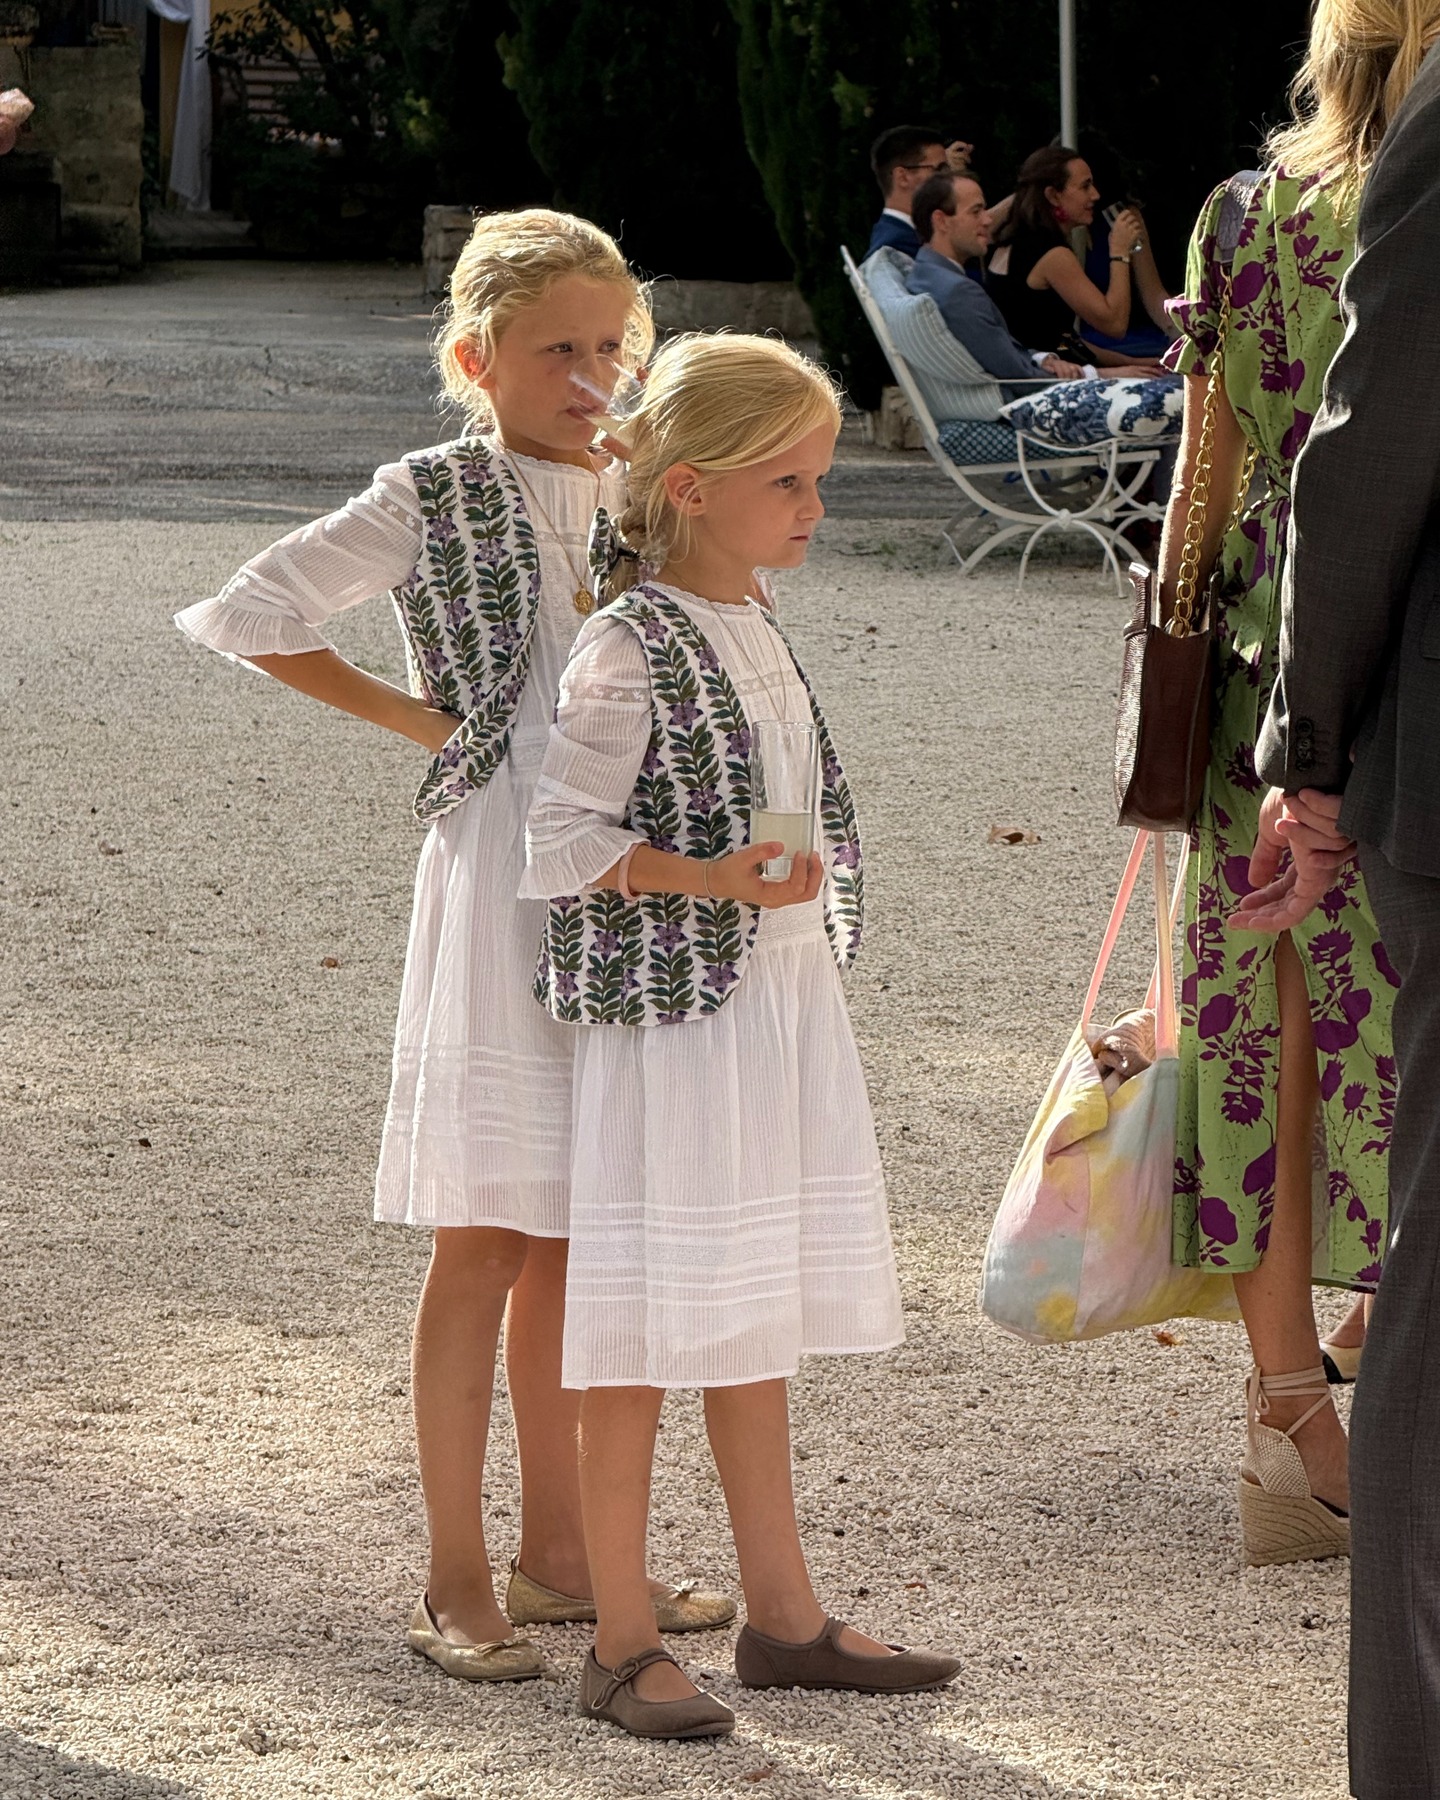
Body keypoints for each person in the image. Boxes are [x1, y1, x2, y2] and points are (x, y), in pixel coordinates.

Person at [173, 209, 733, 1684]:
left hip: (617, 876)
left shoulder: (640, 490)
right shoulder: (432, 492)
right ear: (477, 358)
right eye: (559, 348)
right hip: (497, 878)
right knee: (485, 1227)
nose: (593, 371)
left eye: (616, 344)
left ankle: (564, 1556)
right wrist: (435, 726)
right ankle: (451, 1570)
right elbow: (254, 611)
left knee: (572, 1221)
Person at [520, 333, 960, 1739]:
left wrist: (782, 876)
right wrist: (709, 877)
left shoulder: (754, 618)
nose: (815, 509)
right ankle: (624, 1640)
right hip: (673, 1031)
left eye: (819, 480)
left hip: (774, 1005)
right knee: (647, 1328)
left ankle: (783, 1618)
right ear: (696, 489)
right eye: (793, 482)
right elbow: (561, 841)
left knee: (749, 1308)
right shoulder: (625, 644)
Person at [1153, 0, 1439, 1575]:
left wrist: (1177, 675)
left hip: (1262, 635)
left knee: (1269, 1033)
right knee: (1405, 1016)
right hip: (1401, 636)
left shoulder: (1245, 214)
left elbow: (1205, 466)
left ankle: (1288, 1425)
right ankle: (1385, 1397)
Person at [1228, 3, 1440, 1790]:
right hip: (1398, 715)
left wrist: (1295, 732)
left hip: (1380, 703)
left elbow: (1325, 449)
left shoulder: (1279, 202)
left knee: (1418, 1238)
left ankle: (1418, 1753)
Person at [906, 171, 1162, 389]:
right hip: (1037, 402)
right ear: (940, 221)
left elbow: (1018, 352)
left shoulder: (928, 273)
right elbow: (1020, 378)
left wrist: (1042, 359)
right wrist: (1104, 374)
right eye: (976, 211)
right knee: (1174, 397)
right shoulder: (959, 291)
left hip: (1052, 368)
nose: (987, 219)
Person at [985, 146, 1169, 366]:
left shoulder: (1015, 242)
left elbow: (1062, 341)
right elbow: (1115, 324)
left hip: (1040, 370)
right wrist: (1119, 253)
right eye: (1085, 186)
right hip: (1043, 383)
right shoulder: (1052, 255)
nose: (1095, 195)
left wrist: (1133, 362)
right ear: (1053, 196)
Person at [865, 123, 968, 257]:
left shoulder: (911, 233)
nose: (949, 178)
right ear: (903, 177)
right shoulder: (896, 248)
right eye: (940, 169)